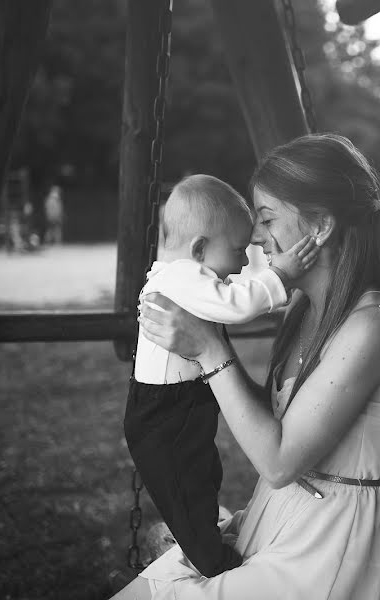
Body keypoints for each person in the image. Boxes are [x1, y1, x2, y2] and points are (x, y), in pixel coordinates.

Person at [115, 134, 380, 600]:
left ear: (320, 225)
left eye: (268, 217)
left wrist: (210, 349)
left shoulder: (372, 327)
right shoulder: (304, 309)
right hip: (282, 516)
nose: (255, 236)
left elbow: (278, 463)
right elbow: (280, 419)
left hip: (325, 544)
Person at [124, 175, 318, 578]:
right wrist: (280, 275)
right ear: (198, 250)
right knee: (185, 489)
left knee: (202, 475)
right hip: (165, 415)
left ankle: (207, 540)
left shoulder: (179, 276)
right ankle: (212, 561)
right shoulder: (180, 278)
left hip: (179, 406)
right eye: (238, 251)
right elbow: (234, 305)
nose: (247, 262)